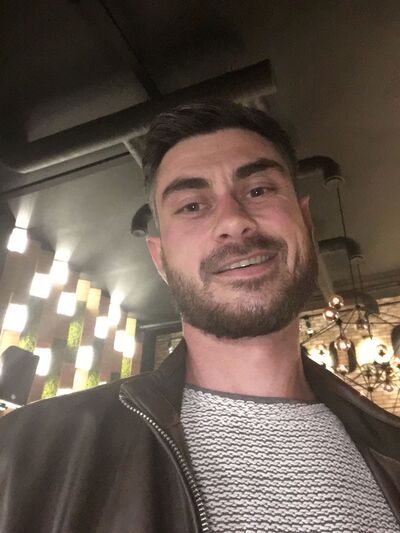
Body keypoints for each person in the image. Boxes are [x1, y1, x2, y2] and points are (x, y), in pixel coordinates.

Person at [0, 100, 399, 533]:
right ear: (160, 258)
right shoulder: (26, 455)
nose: (233, 221)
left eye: (258, 190)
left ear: (305, 221)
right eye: (192, 205)